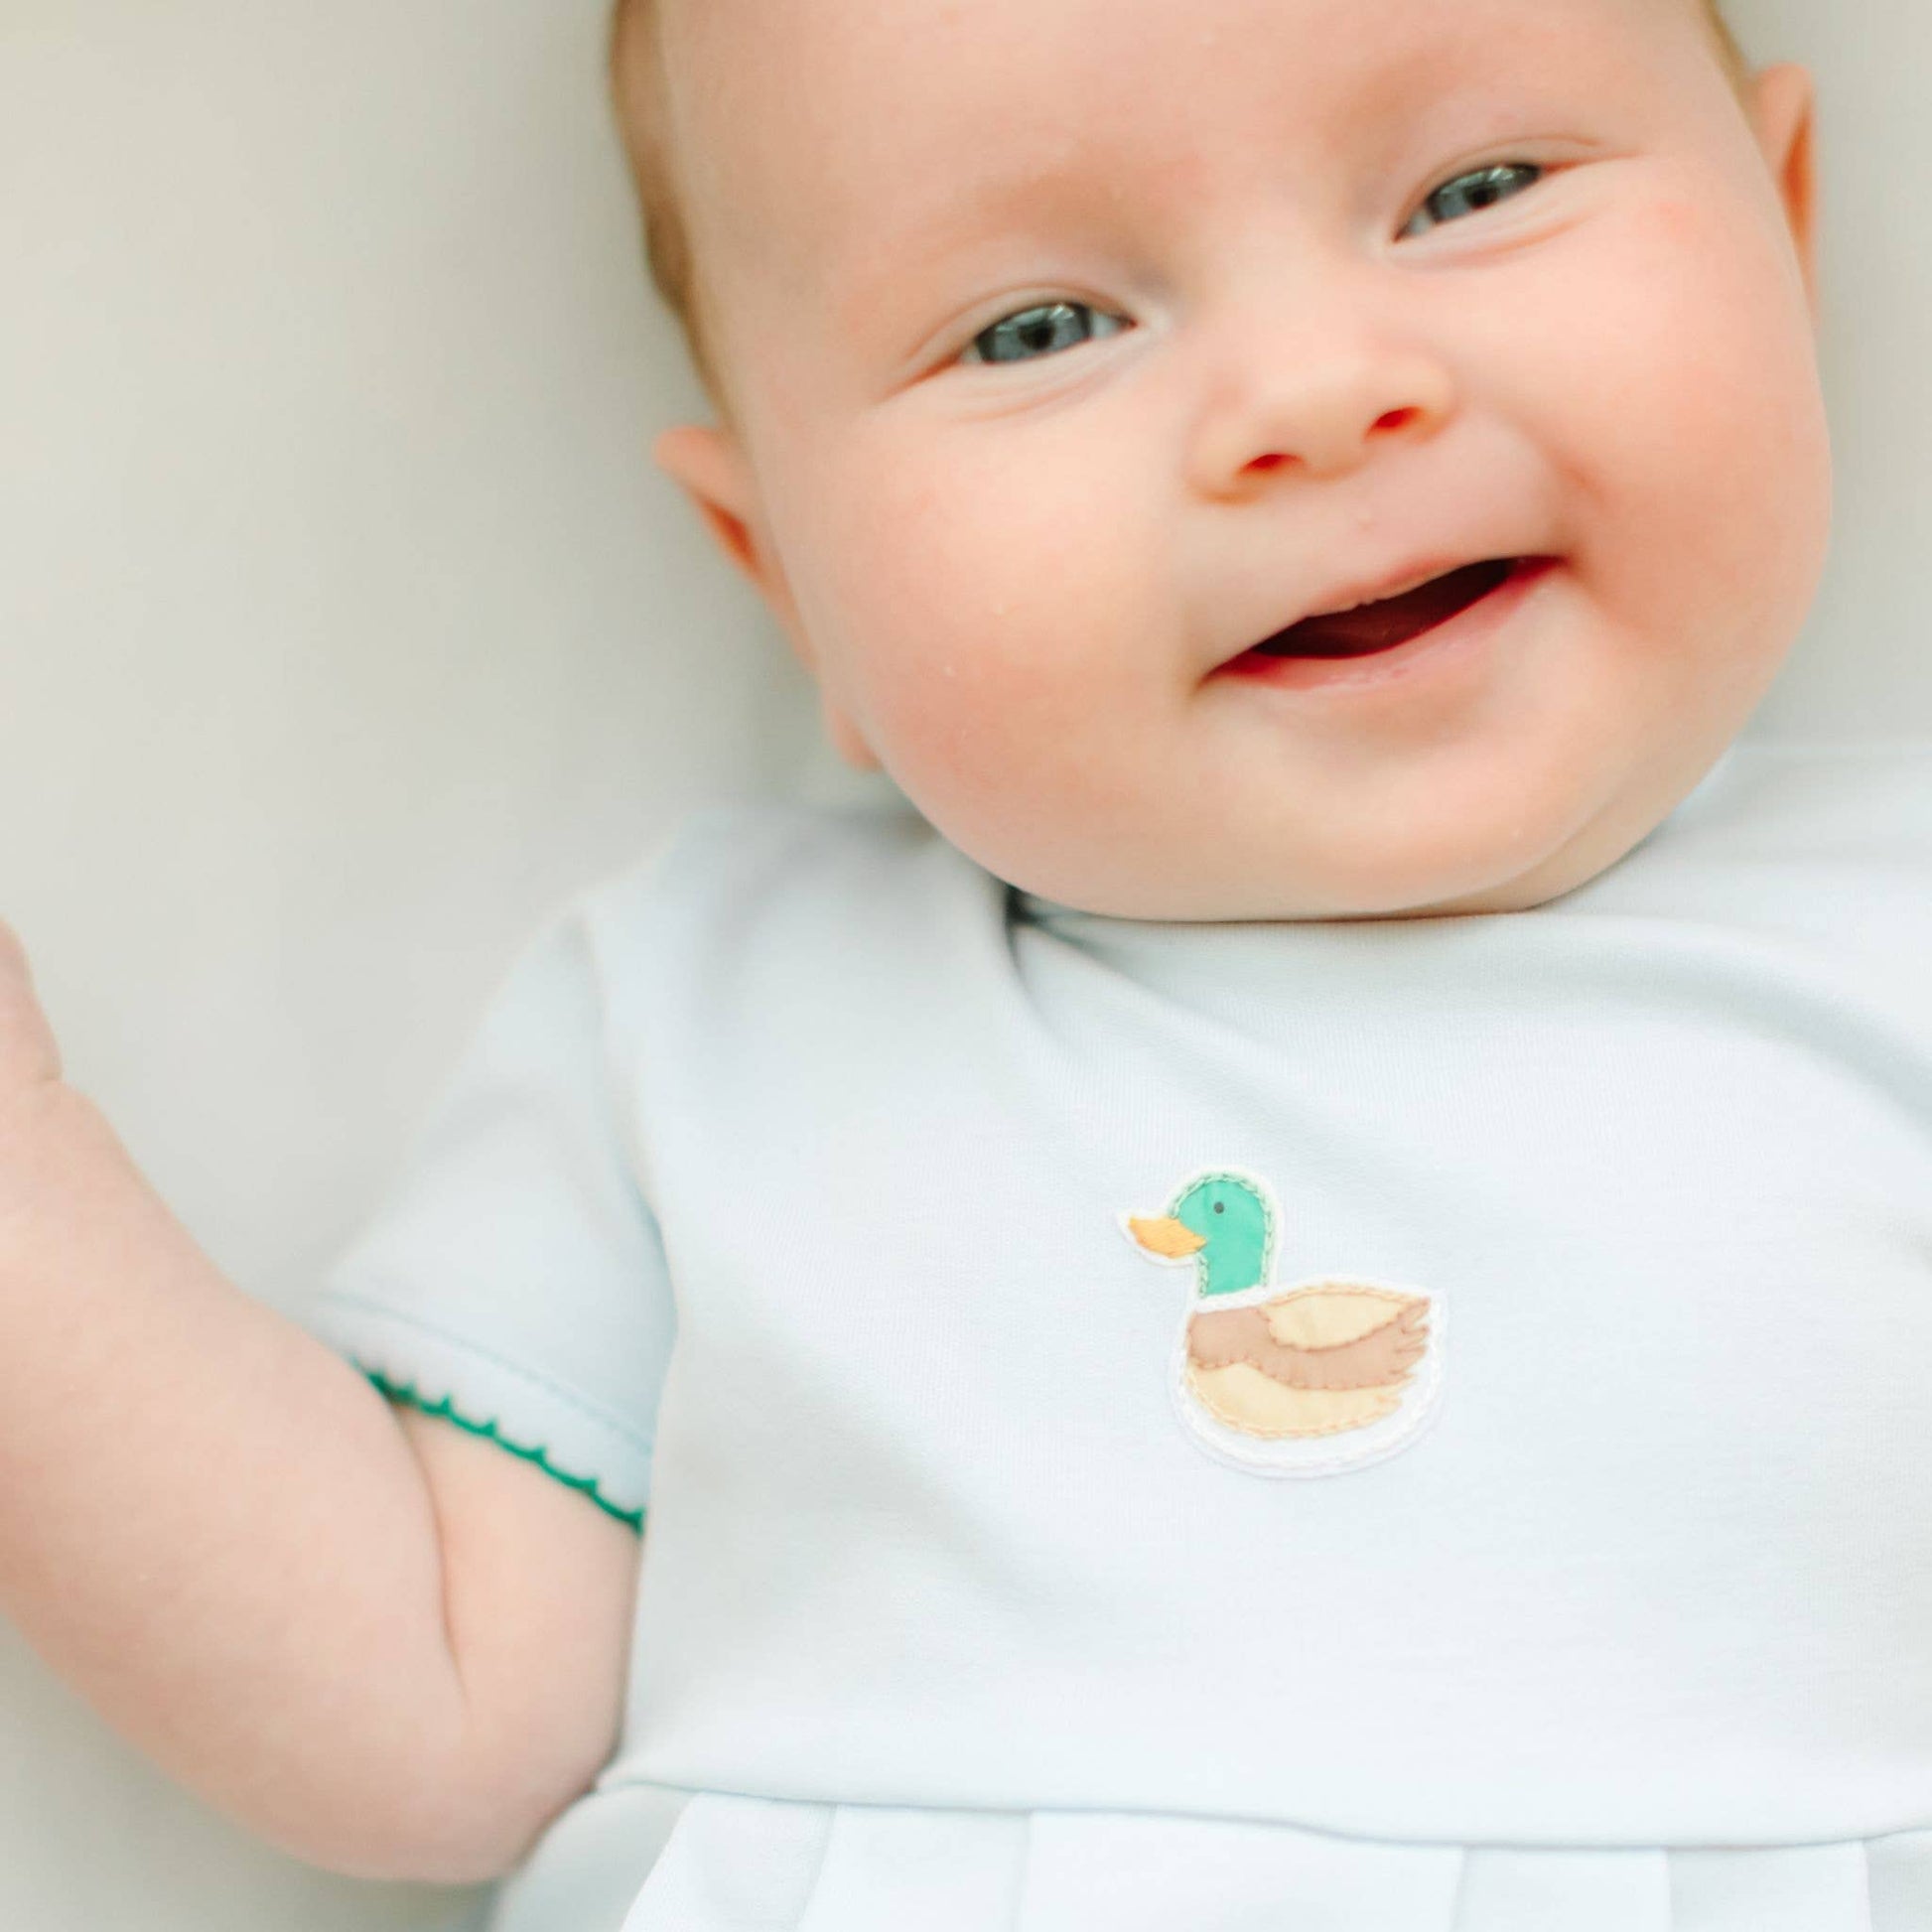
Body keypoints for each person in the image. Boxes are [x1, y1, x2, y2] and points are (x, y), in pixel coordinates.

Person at [11, 0, 1927, 1922]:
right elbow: (426, 1706)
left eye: (1474, 189)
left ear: (1785, 233)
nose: (1316, 392)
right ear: (789, 579)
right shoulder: (718, 1009)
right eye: (1037, 330)